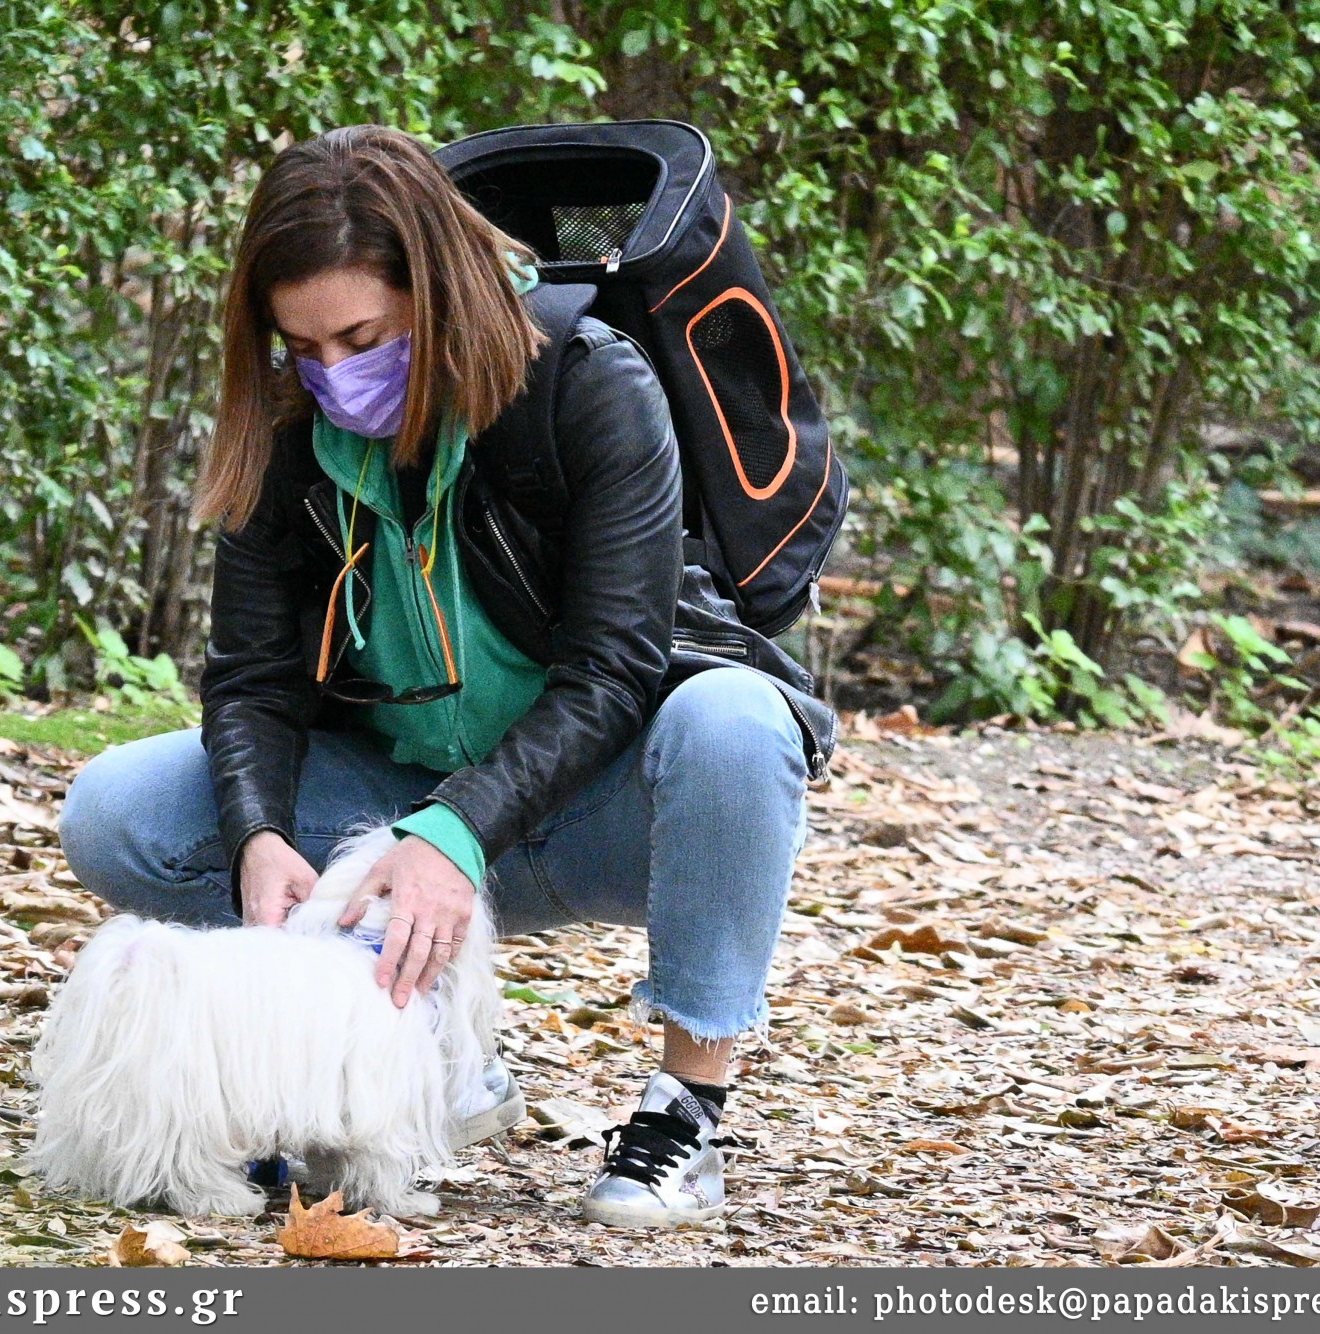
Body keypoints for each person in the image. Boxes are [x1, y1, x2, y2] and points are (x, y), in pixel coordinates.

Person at [58, 125, 829, 1229]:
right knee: (118, 812)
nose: (331, 372)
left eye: (361, 335)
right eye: (301, 347)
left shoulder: (588, 385)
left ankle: (685, 1111)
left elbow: (614, 666)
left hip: (602, 805)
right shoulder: (289, 430)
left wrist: (458, 832)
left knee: (734, 719)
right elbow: (252, 680)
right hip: (392, 815)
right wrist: (257, 834)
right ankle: (421, 1054)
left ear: (432, 288)